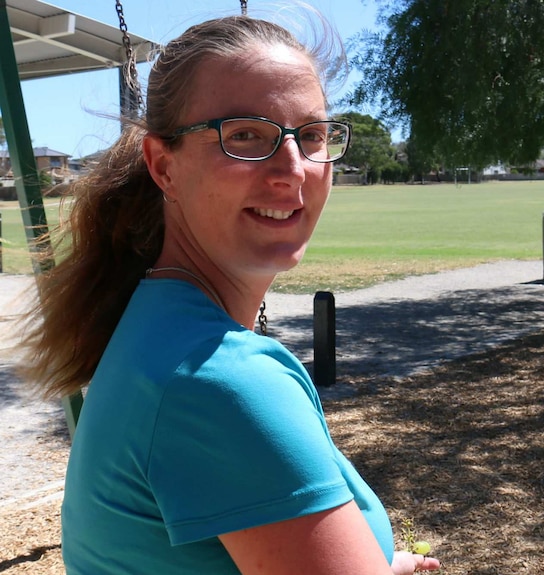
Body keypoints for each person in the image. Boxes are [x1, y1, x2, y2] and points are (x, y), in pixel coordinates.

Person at [16, 13, 440, 575]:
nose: (293, 169)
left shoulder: (154, 322)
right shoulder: (219, 382)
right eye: (245, 135)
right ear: (163, 166)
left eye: (311, 135)